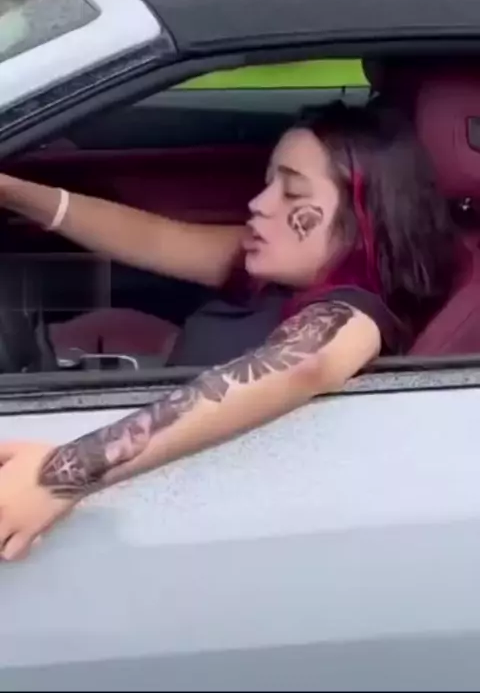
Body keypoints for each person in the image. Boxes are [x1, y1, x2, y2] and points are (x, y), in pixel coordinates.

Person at [0, 100, 455, 561]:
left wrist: (60, 475)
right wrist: (12, 191)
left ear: (362, 219)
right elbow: (154, 239)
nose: (260, 204)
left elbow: (307, 365)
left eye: (292, 193)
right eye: (269, 183)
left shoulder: (353, 316)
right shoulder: (278, 270)